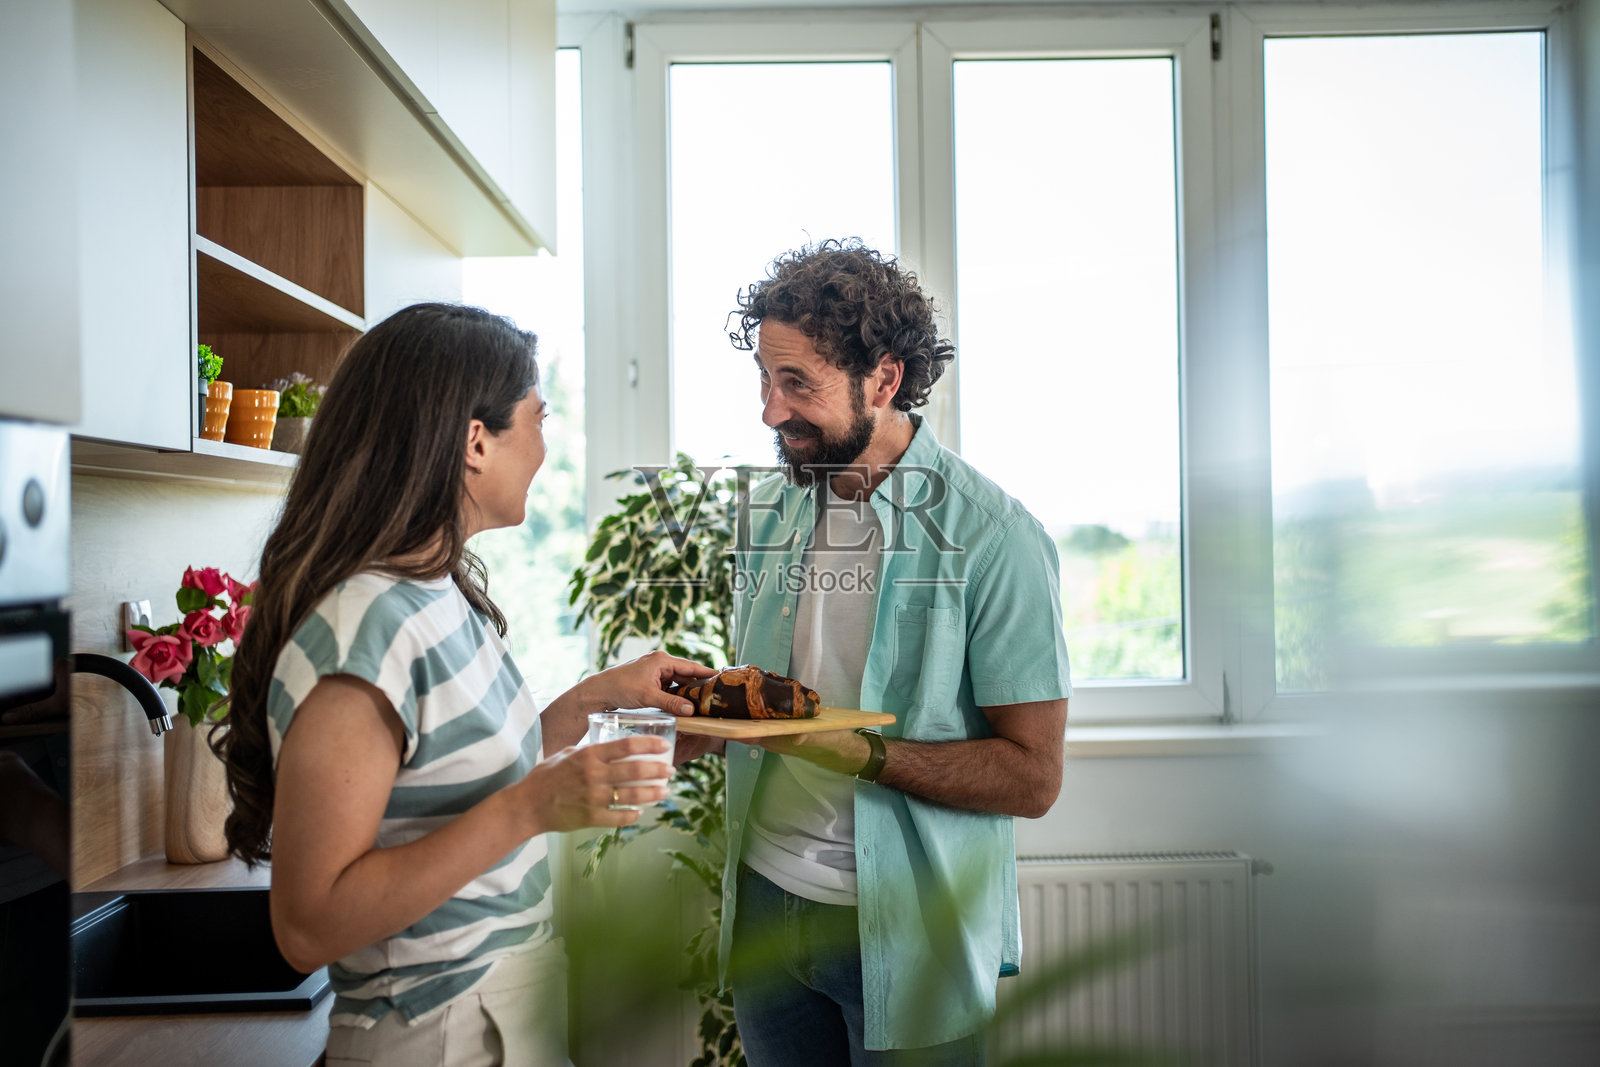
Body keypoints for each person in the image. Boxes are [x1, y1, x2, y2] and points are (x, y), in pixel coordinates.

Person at [214, 303, 715, 1066]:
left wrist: (589, 703)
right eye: (538, 420)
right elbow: (307, 927)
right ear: (475, 442)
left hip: (497, 1012)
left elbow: (440, 776)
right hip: (434, 1033)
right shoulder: (366, 627)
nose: (548, 448)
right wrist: (534, 807)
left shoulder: (439, 592)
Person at [714, 240, 1073, 1065]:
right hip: (765, 903)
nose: (771, 411)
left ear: (885, 378)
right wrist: (713, 712)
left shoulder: (994, 538)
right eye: (765, 381)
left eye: (797, 383)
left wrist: (857, 753)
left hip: (905, 925)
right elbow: (779, 698)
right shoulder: (772, 510)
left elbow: (1033, 776)